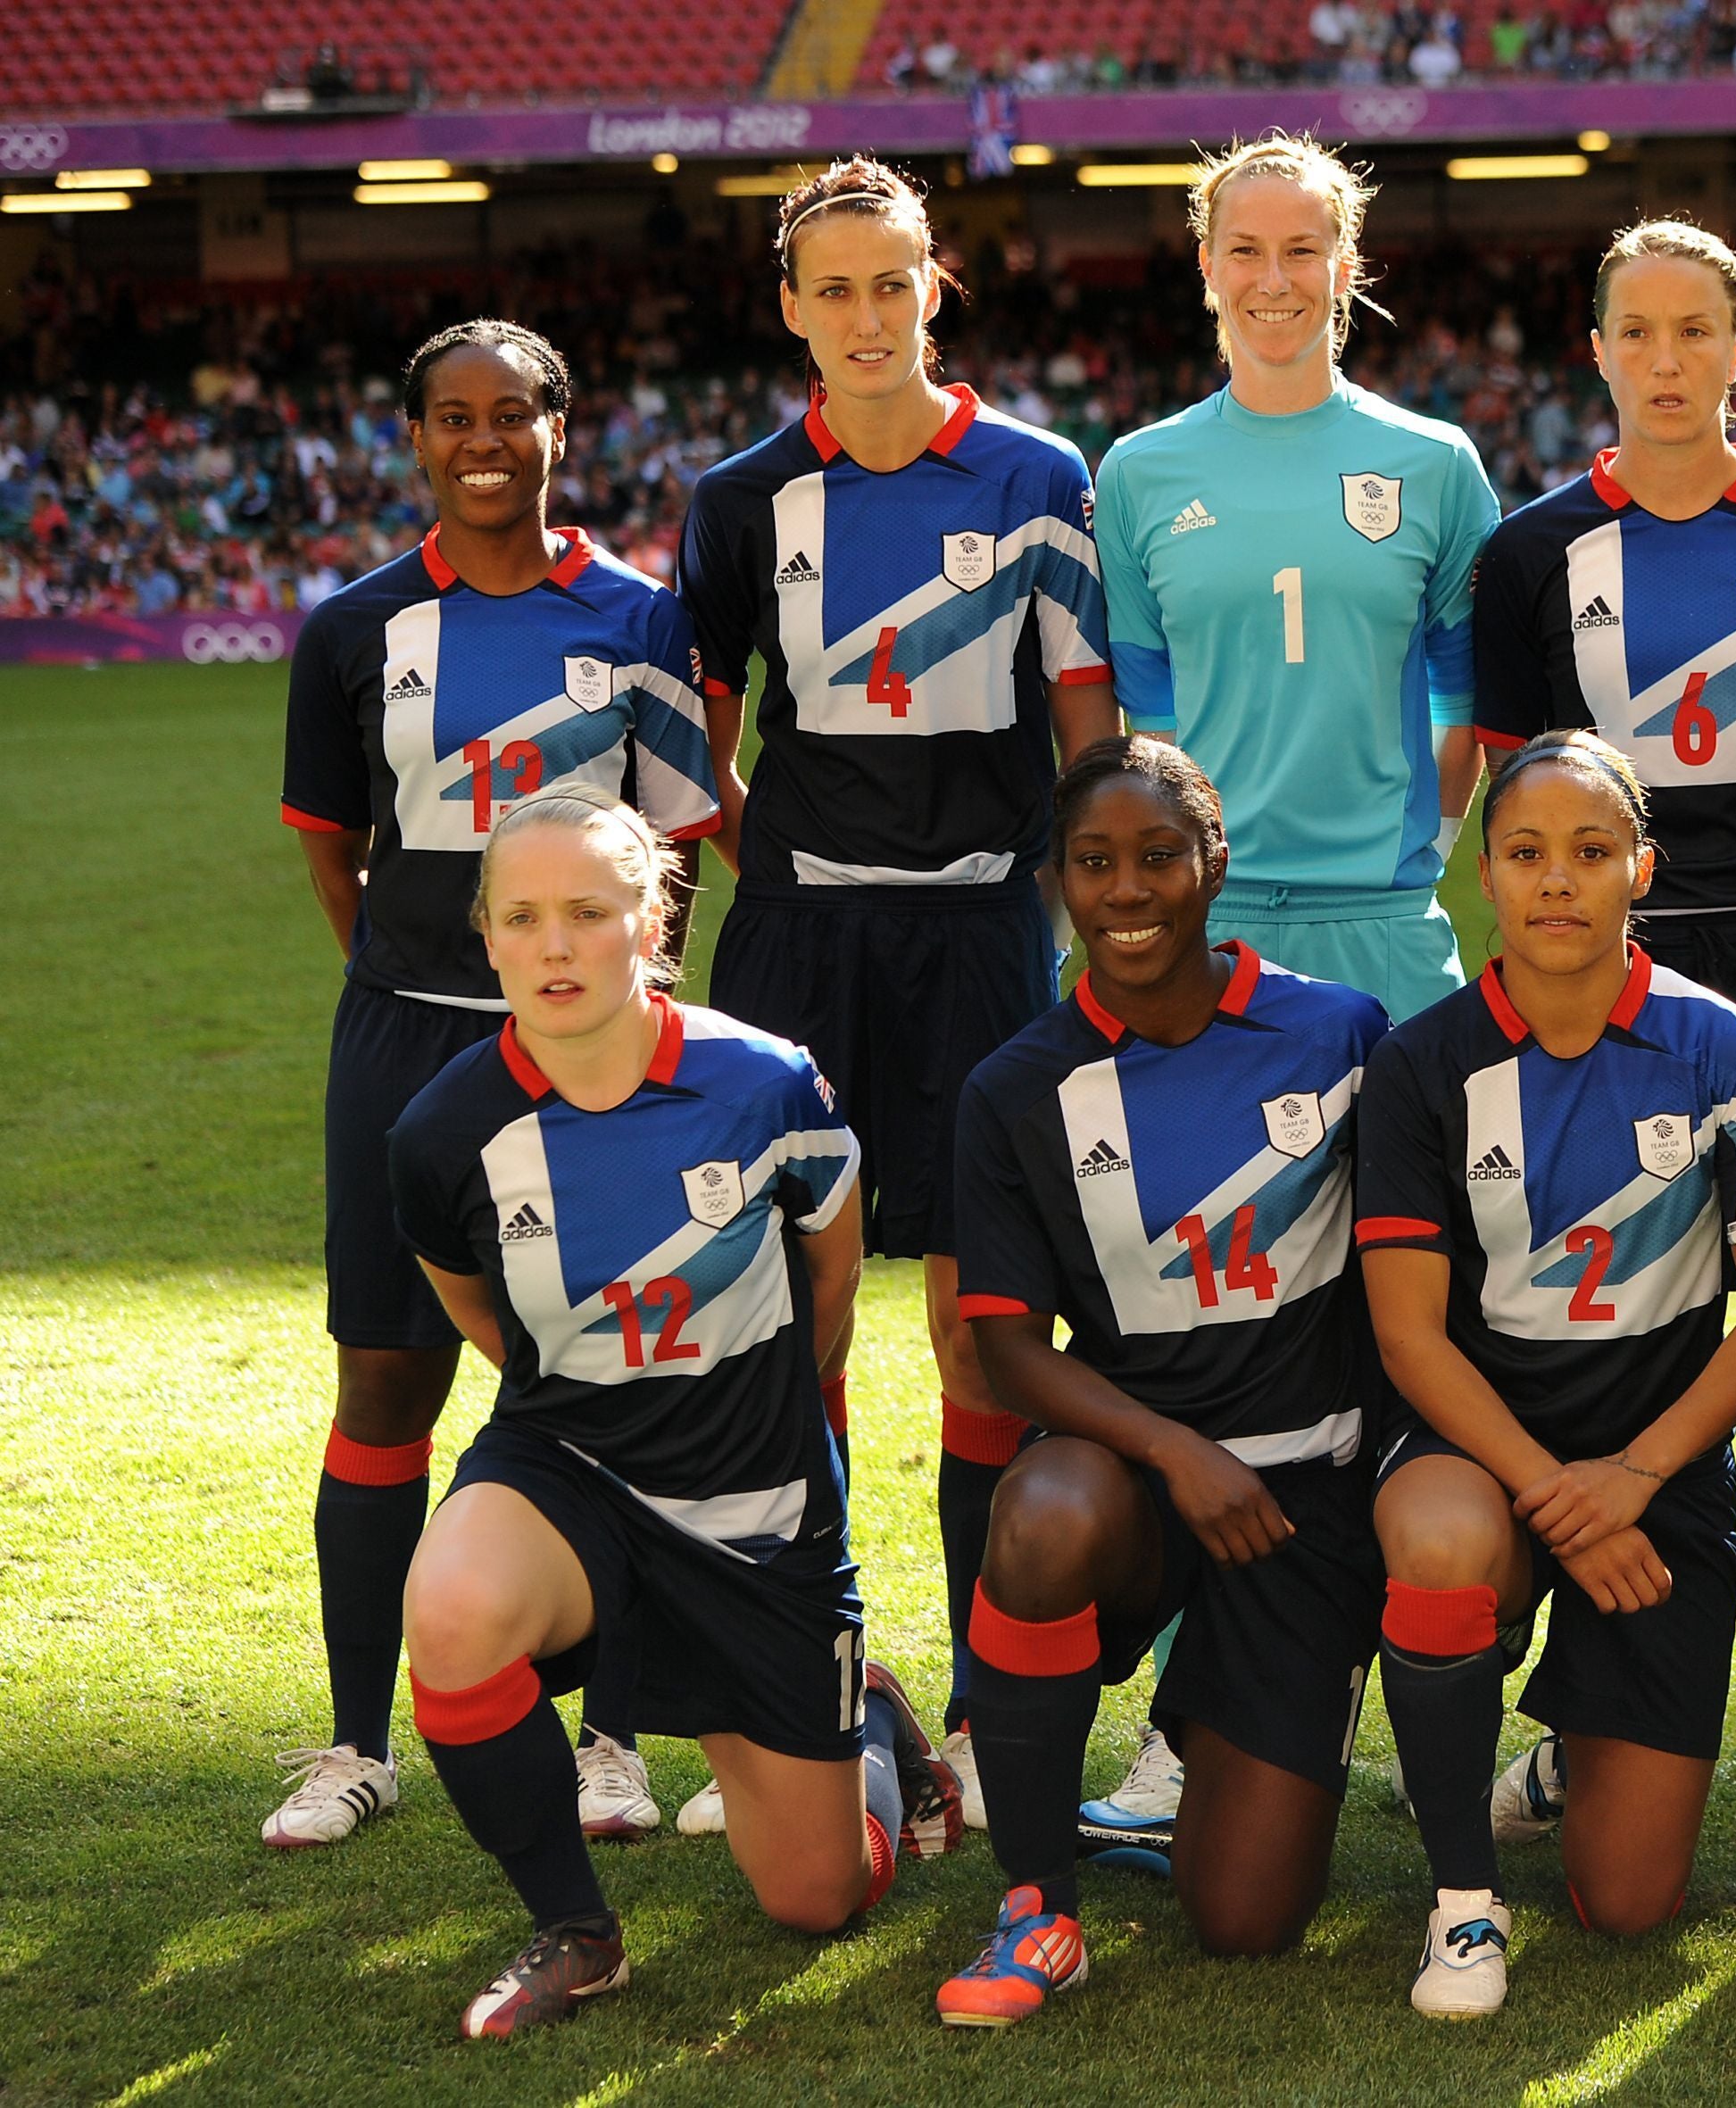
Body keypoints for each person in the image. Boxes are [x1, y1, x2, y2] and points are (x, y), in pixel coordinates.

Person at [679, 156, 1118, 1829]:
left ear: (938, 287)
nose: (868, 314)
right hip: (799, 944)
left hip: (984, 938)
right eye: (834, 287)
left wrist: (1075, 909)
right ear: (792, 308)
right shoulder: (739, 500)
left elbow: (1085, 724)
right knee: (798, 1310)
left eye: (895, 281)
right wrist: (778, 875)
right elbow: (697, 742)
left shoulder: (1032, 475)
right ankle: (812, 1681)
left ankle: (1000, 1693)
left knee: (976, 1316)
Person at [386, 789, 960, 2037]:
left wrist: (739, 1418)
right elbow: (488, 1319)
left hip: (756, 1505)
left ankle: (865, 1715)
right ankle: (578, 1931)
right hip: (572, 1467)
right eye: (522, 916)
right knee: (451, 1607)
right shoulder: (443, 1131)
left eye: (588, 912)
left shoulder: (766, 1086)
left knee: (818, 1898)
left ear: (651, 922)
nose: (554, 944)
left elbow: (831, 1286)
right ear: (483, 933)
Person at [1472, 219, 1736, 1835]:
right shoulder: (1528, 554)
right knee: (1625, 1330)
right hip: (1608, 988)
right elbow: (1520, 793)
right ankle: (1588, 1713)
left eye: (1697, 330)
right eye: (1637, 332)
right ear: (1597, 352)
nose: (1668, 359)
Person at [274, 320, 720, 1852]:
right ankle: (353, 1740)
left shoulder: (644, 619)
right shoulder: (352, 628)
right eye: (452, 417)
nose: (484, 440)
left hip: (593, 1049)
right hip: (406, 1038)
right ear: (413, 440)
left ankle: (611, 1741)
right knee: (388, 1375)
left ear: (559, 427)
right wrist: (421, 981)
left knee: (615, 1376)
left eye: (513, 414)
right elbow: (335, 849)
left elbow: (675, 853)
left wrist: (616, 1008)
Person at [1355, 731, 1736, 2018]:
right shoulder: (1421, 1065)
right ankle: (1462, 1902)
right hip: (1479, 1446)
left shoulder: (1729, 1051)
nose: (1557, 880)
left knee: (1627, 1903)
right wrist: (1561, 1489)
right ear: (1486, 881)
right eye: (1525, 853)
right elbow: (1409, 1338)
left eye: (1590, 851)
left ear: (1640, 872)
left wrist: (1639, 1472)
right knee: (1445, 1540)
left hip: (1655, 1461)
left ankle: (1570, 1759)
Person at [932, 739, 1394, 2024]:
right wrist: (1178, 1451)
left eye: (1156, 855)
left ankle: (1210, 1720)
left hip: (1305, 1504)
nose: (1126, 889)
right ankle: (1034, 1905)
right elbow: (1009, 1346)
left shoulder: (1339, 1034)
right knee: (1043, 1508)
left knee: (1245, 1924)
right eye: (1094, 863)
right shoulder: (1015, 1086)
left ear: (1213, 864)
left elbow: (1407, 1278)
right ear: (1056, 883)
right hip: (1140, 1482)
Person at [1094, 132, 1497, 1025]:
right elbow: (1148, 725)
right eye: (1244, 251)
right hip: (1204, 929)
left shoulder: (1434, 465)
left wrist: (1407, 852)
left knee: (1413, 1169)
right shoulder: (1136, 474)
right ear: (1207, 266)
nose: (1272, 280)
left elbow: (1464, 707)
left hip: (1384, 926)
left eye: (1301, 251)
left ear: (1344, 266)